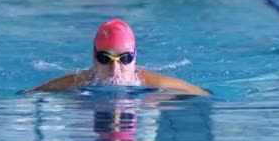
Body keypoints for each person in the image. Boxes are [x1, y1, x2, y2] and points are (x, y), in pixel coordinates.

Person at [29, 19, 212, 96]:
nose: (114, 68)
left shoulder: (155, 84)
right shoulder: (77, 82)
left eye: (124, 59)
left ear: (135, 58)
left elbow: (205, 95)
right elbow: (30, 95)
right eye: (105, 58)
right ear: (93, 58)